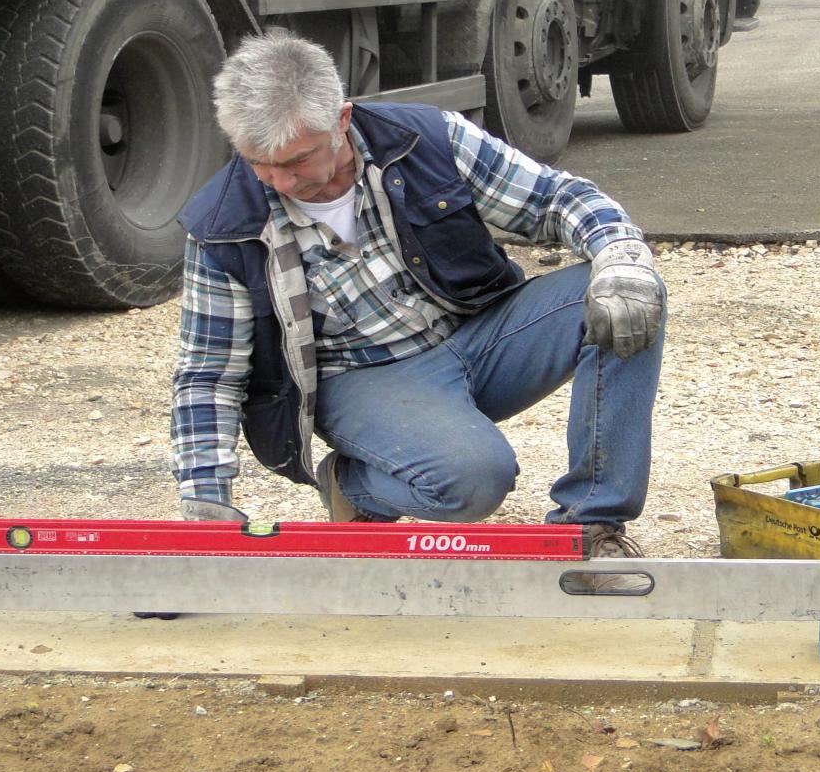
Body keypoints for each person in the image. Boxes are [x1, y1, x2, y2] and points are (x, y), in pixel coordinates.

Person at [169, 31, 665, 564]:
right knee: (475, 480)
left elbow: (554, 199)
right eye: (258, 163)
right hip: (362, 378)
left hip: (478, 334)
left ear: (342, 120)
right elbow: (208, 372)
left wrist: (619, 252)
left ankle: (590, 528)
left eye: (298, 160)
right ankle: (353, 485)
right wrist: (204, 497)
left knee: (630, 293)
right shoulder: (223, 224)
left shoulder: (424, 139)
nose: (279, 179)